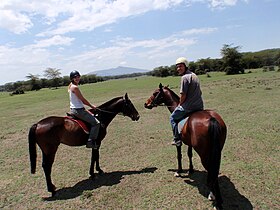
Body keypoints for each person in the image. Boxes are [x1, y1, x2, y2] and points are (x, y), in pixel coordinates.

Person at [170, 57, 204, 146]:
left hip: (188, 107)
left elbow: (183, 95)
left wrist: (179, 105)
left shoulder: (185, 78)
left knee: (172, 118)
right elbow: (200, 92)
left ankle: (177, 139)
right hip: (199, 106)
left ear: (185, 66)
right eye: (177, 67)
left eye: (180, 66)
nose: (178, 69)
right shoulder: (194, 75)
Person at [68, 70, 100, 149]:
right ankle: (90, 141)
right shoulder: (75, 87)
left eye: (78, 76)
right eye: (75, 77)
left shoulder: (70, 85)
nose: (78, 78)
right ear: (72, 78)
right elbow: (83, 100)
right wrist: (92, 106)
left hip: (74, 109)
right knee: (96, 123)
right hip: (78, 110)